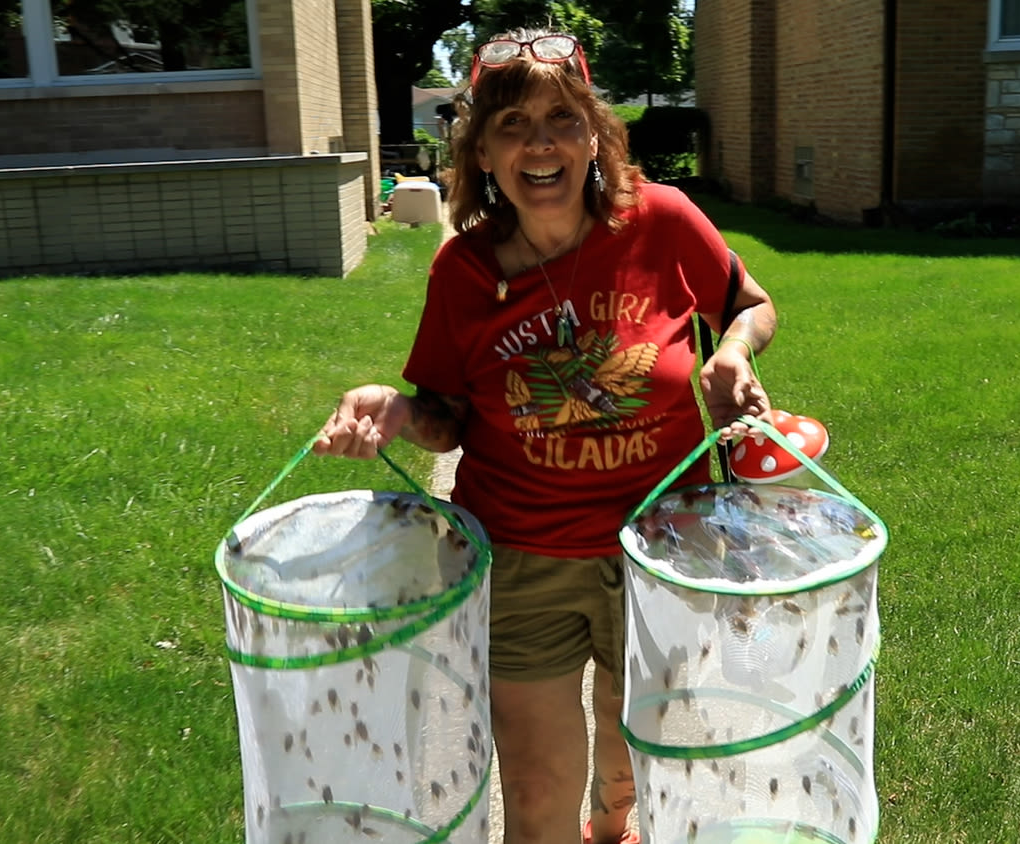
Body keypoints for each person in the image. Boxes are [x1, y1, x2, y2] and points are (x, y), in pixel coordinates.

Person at [314, 27, 778, 844]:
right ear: (483, 155)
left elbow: (749, 303)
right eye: (511, 124)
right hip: (527, 558)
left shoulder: (662, 222)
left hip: (663, 549)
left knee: (639, 762)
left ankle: (614, 824)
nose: (540, 143)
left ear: (595, 135)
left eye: (562, 118)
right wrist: (395, 409)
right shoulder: (463, 271)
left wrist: (735, 349)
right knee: (532, 794)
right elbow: (446, 418)